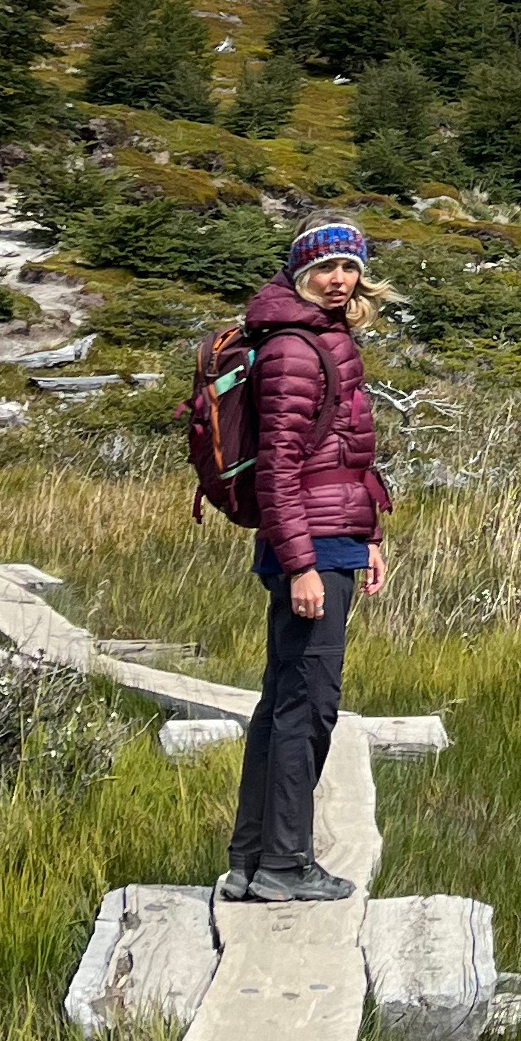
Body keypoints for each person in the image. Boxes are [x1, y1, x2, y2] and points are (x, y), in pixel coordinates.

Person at [220, 217, 389, 908]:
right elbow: (280, 473)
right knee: (308, 705)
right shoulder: (295, 347)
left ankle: (252, 860)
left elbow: (341, 454)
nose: (339, 280)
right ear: (299, 275)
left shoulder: (325, 337)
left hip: (331, 539)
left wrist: (368, 535)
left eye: (348, 268)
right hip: (309, 548)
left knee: (286, 699)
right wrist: (301, 566)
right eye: (325, 270)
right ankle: (285, 866)